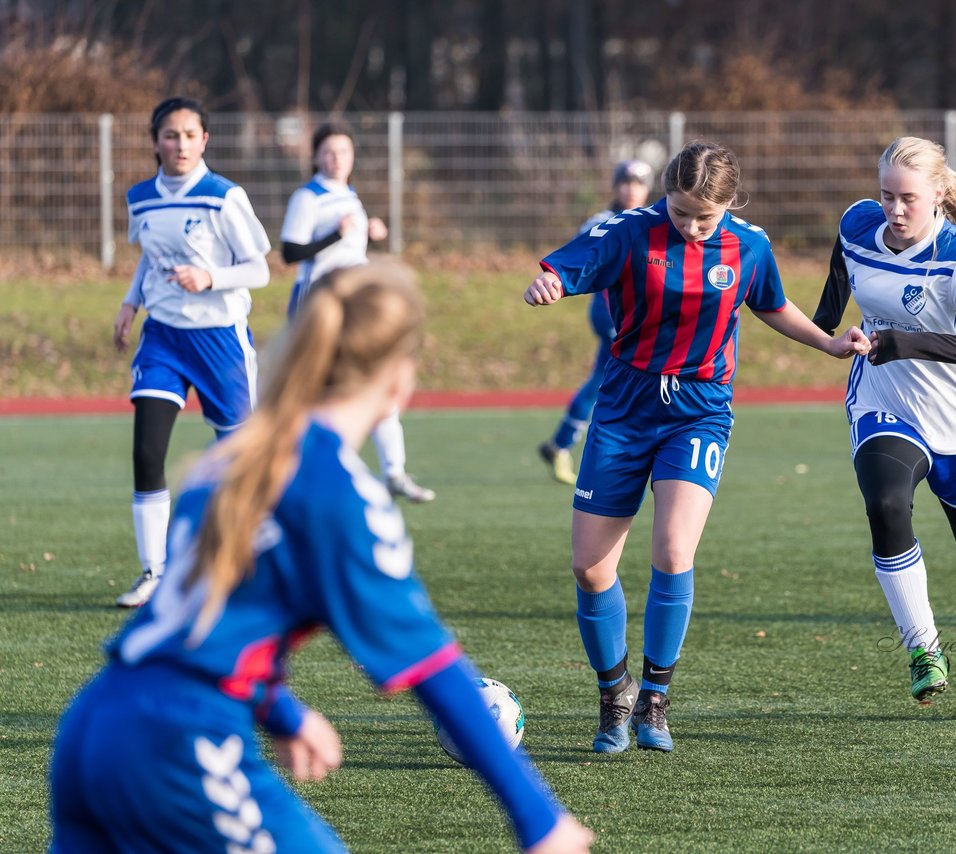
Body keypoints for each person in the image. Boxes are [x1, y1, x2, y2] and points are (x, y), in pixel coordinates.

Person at [51, 262, 594, 854]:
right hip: (178, 740)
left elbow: (206, 626)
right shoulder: (341, 495)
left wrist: (283, 714)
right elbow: (430, 664)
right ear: (399, 381)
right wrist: (540, 820)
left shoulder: (234, 460)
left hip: (94, 724)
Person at [524, 141, 869, 753]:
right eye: (681, 212)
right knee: (589, 566)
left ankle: (655, 697)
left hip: (699, 410)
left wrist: (828, 343)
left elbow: (772, 304)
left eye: (704, 219)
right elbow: (569, 266)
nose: (690, 227)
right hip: (626, 407)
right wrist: (549, 282)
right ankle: (615, 694)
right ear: (667, 195)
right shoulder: (631, 232)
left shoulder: (749, 245)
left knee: (674, 549)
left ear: (730, 205)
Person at [811, 136, 956, 721]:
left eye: (908, 198)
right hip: (884, 404)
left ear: (938, 194)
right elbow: (844, 268)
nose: (894, 209)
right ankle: (924, 652)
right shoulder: (858, 224)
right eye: (887, 195)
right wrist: (826, 329)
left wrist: (900, 342)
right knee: (886, 504)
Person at [112, 96, 272, 608]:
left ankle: (246, 559)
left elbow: (259, 269)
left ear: (205, 140)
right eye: (169, 135)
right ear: (155, 141)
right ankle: (154, 572)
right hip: (163, 337)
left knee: (239, 458)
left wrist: (210, 277)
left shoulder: (224, 197)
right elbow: (148, 258)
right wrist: (130, 303)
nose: (179, 144)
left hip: (220, 338)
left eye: (189, 135)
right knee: (146, 451)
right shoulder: (141, 198)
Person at [280, 121, 434, 504]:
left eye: (344, 152)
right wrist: (338, 233)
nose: (337, 159)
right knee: (314, 391)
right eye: (329, 152)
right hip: (319, 303)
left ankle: (394, 472)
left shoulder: (348, 194)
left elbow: (350, 248)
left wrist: (369, 230)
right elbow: (290, 252)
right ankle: (295, 470)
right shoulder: (308, 197)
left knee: (376, 382)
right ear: (315, 156)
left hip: (356, 304)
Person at [537, 159, 654, 484]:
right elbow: (582, 264)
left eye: (639, 183)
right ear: (616, 186)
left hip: (640, 313)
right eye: (626, 182)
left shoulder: (656, 220)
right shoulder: (602, 221)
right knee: (615, 380)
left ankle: (561, 443)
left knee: (604, 380)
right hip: (611, 312)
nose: (632, 189)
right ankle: (596, 449)